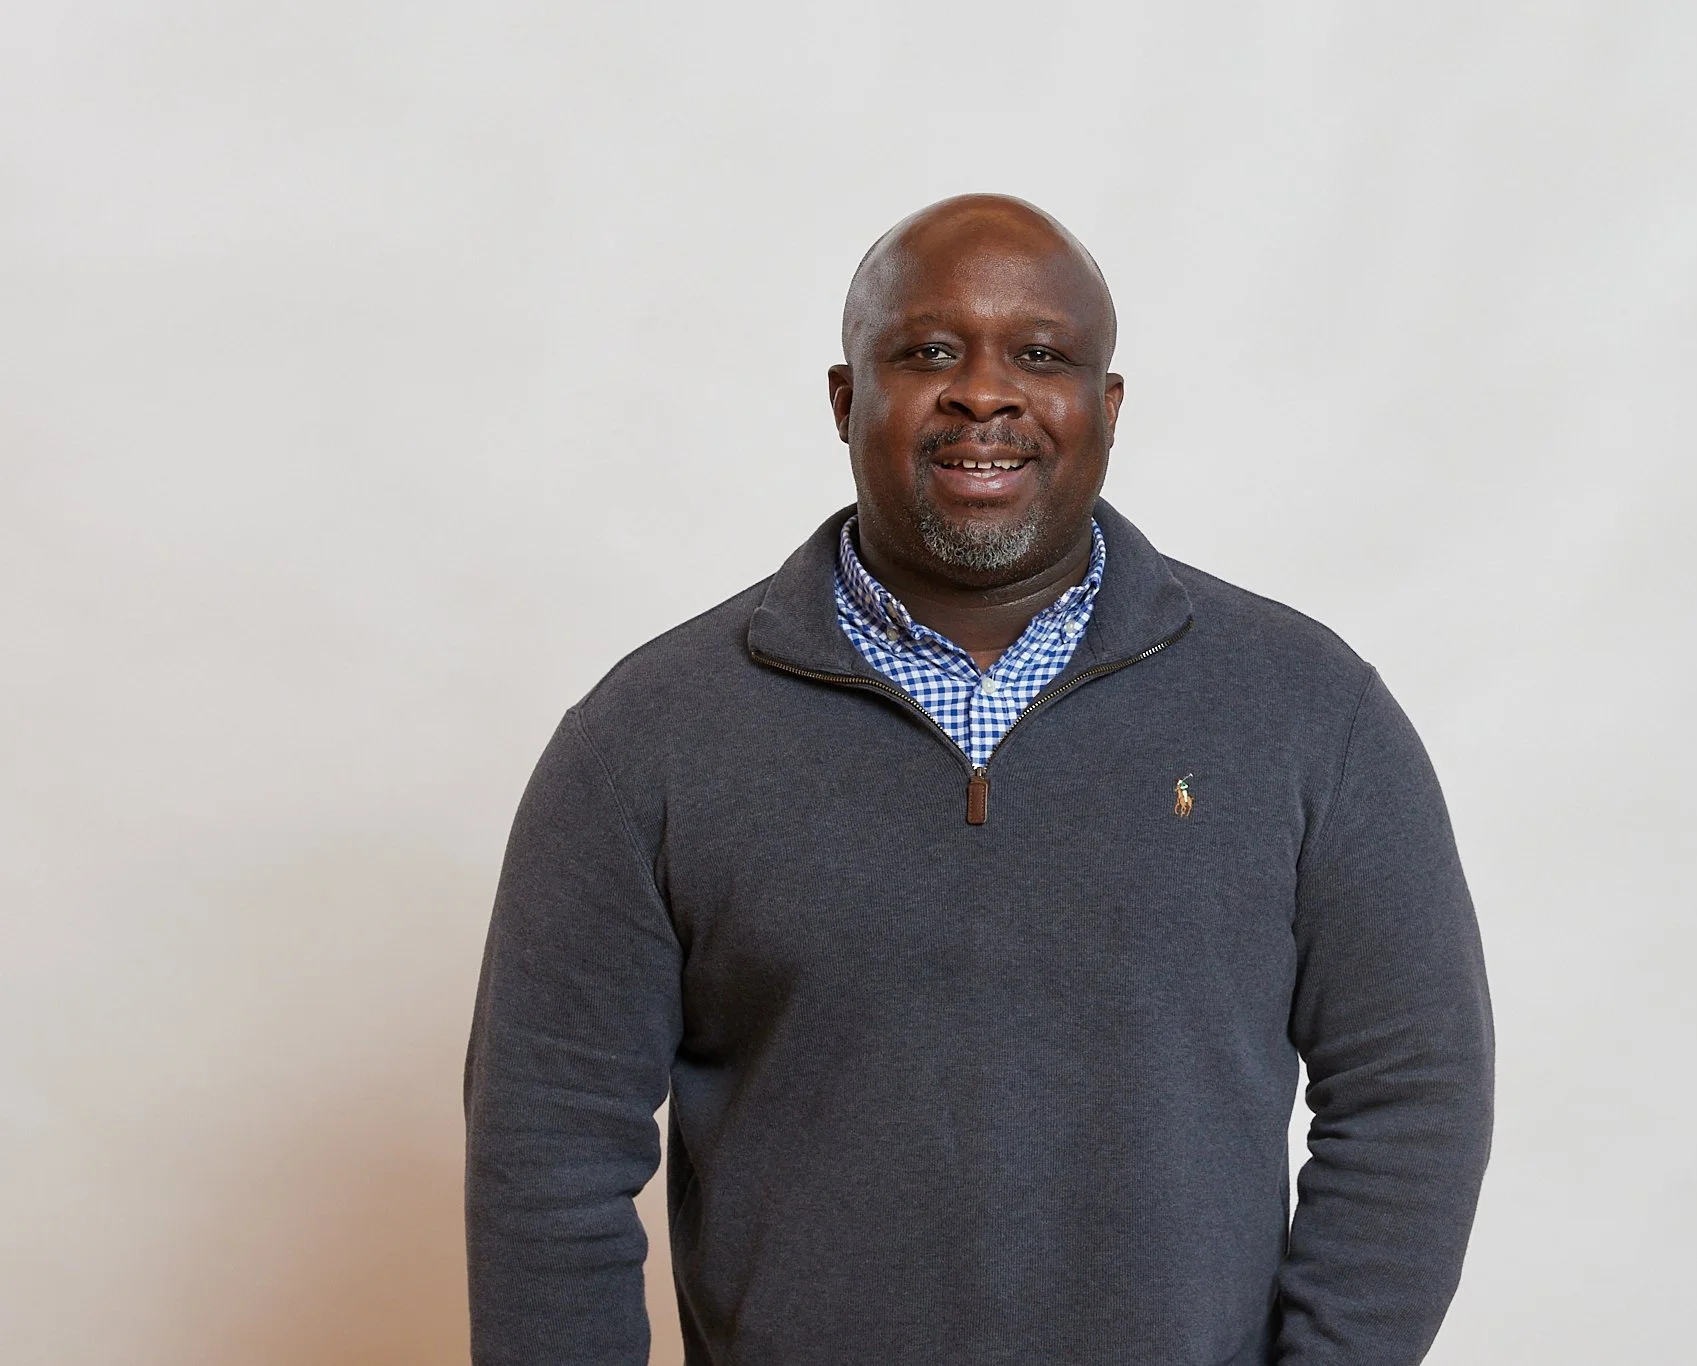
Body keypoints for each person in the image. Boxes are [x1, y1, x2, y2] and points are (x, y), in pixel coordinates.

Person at [464, 193, 1494, 1366]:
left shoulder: (1311, 711)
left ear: (1105, 408)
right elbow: (546, 1156)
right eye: (927, 352)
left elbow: (1414, 1098)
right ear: (847, 398)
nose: (984, 393)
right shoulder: (642, 741)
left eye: (1041, 356)